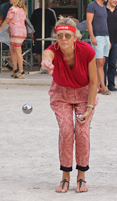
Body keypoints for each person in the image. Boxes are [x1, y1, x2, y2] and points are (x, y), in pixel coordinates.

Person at [40, 17, 98, 193]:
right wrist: (47, 62)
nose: (63, 39)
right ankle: (65, 176)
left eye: (67, 35)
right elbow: (47, 54)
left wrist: (89, 108)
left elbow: (94, 82)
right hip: (62, 93)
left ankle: (82, 176)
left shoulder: (87, 51)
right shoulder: (53, 50)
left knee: (82, 132)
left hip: (84, 94)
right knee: (66, 130)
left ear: (75, 38)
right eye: (59, 36)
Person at [86, 0, 111, 95]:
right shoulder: (92, 6)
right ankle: (103, 87)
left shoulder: (103, 7)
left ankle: (97, 87)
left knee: (102, 63)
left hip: (105, 36)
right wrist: (92, 37)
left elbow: (104, 23)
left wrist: (108, 39)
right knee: (99, 62)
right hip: (98, 37)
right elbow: (89, 22)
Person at [0, 0, 28, 79]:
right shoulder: (23, 9)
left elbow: (6, 20)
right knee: (14, 50)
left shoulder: (12, 9)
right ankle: (15, 69)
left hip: (16, 32)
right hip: (21, 31)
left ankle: (20, 71)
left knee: (17, 52)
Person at [30, 0, 58, 67]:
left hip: (37, 31)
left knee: (38, 50)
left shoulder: (36, 12)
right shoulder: (50, 12)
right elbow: (53, 24)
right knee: (46, 48)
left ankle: (40, 64)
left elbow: (31, 23)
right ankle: (45, 64)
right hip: (47, 32)